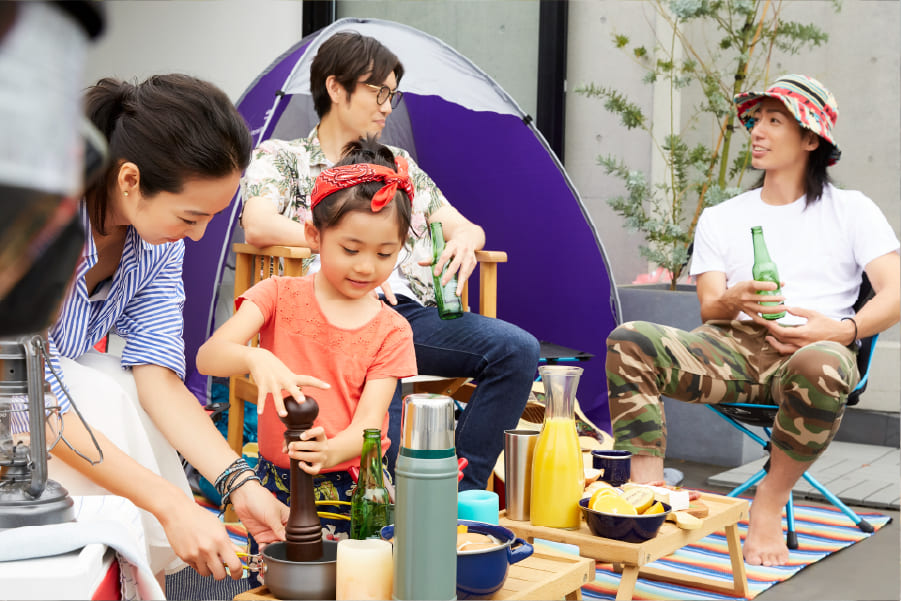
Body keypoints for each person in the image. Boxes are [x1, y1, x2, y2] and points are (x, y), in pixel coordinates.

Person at [606, 74, 900, 566]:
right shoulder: (724, 217)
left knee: (824, 364)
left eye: (774, 120)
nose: (757, 131)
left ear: (811, 138)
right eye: (755, 120)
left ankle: (768, 502)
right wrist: (734, 300)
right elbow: (709, 307)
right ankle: (647, 493)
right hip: (731, 350)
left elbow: (895, 291)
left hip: (812, 353)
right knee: (630, 338)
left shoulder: (851, 211)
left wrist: (840, 330)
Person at [239, 31, 540, 491]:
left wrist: (466, 239)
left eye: (392, 95)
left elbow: (463, 224)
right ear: (336, 88)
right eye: (378, 91)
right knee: (383, 428)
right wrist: (347, 258)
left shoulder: (398, 164)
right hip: (321, 318)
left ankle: (457, 491)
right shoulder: (284, 158)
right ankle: (389, 505)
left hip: (406, 316)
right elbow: (257, 224)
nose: (387, 106)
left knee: (518, 350)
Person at [38, 74, 292, 586]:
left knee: (116, 377)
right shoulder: (40, 225)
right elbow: (33, 406)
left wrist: (238, 483)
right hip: (19, 420)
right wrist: (171, 505)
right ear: (130, 180)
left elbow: (157, 377)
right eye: (191, 216)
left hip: (47, 416)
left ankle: (135, 574)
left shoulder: (156, 244)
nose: (198, 235)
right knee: (94, 385)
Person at [197, 136, 417, 544]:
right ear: (314, 236)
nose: (367, 266)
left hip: (356, 490)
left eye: (386, 254)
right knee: (275, 581)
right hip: (272, 483)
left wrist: (328, 451)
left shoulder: (393, 329)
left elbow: (369, 425)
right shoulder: (278, 294)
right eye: (351, 249)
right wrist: (256, 359)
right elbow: (209, 357)